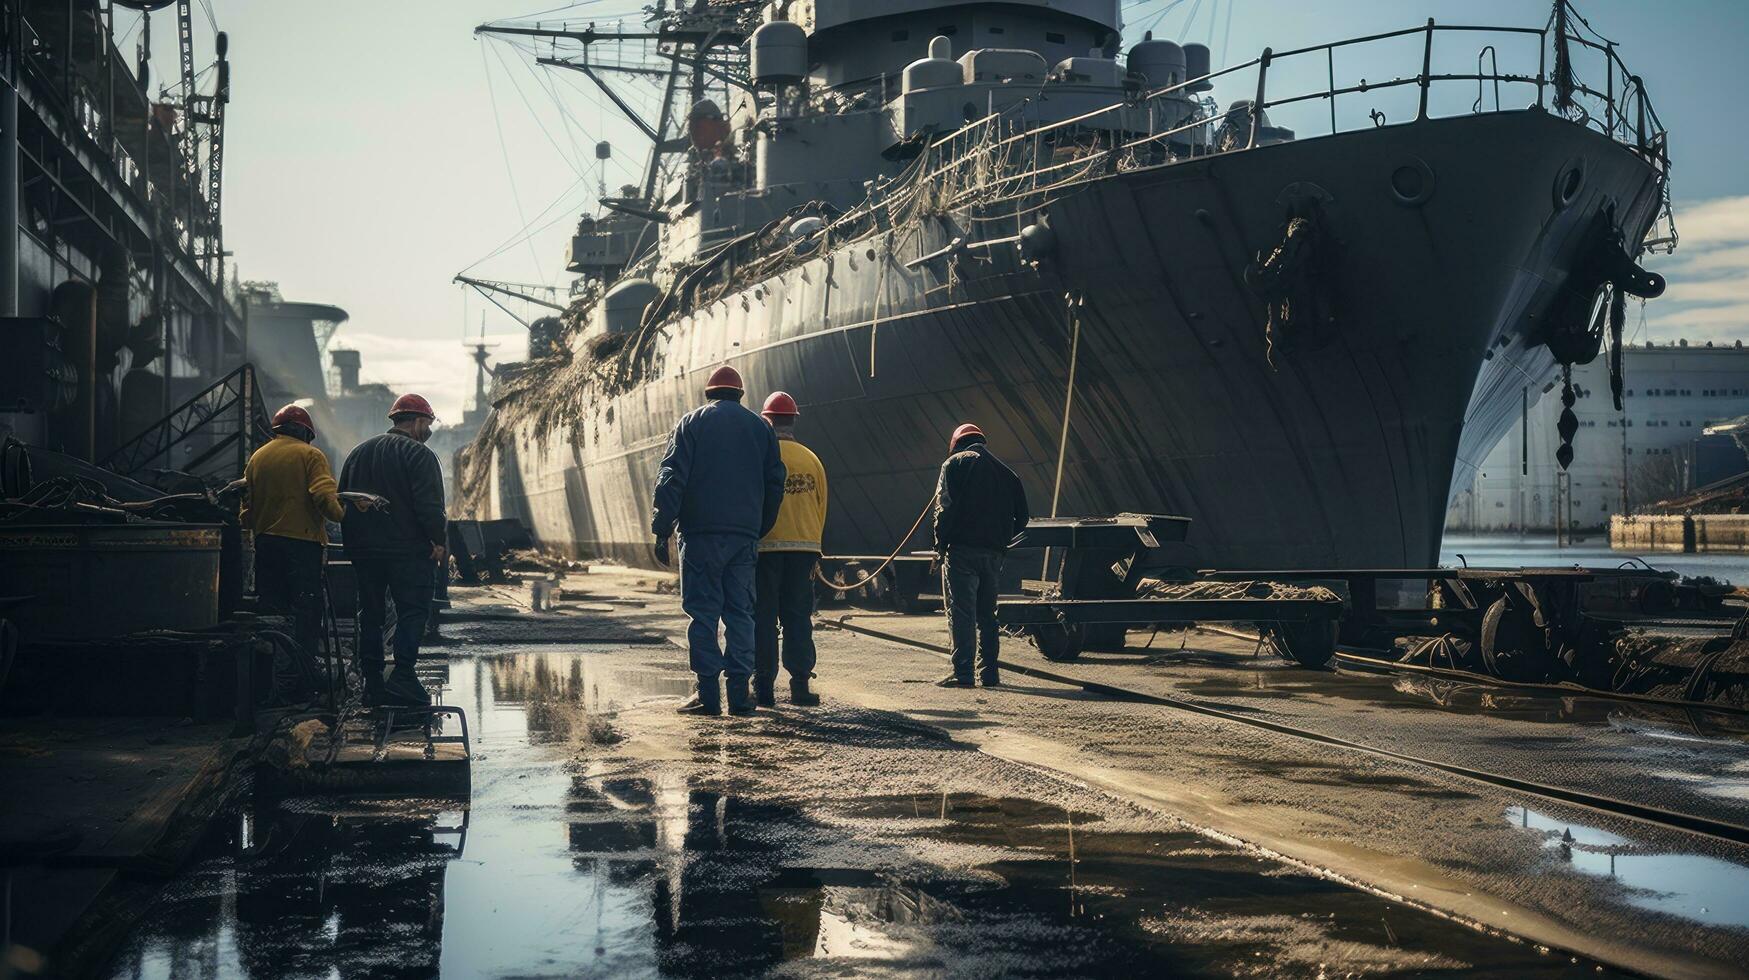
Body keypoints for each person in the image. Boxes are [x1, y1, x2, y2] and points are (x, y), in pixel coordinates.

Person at [651, 365, 786, 717]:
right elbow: (775, 483)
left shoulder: (691, 423)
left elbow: (671, 478)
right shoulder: (761, 428)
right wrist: (758, 527)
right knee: (741, 613)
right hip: (743, 537)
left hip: (699, 536)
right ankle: (740, 697)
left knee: (703, 614)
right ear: (740, 394)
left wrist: (661, 527)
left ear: (709, 393)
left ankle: (708, 695)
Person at [339, 393, 447, 706]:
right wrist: (438, 541)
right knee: (412, 611)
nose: (428, 431)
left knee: (370, 615)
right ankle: (402, 676)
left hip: (365, 551)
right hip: (407, 551)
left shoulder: (358, 453)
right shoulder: (420, 455)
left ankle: (372, 682)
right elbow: (429, 506)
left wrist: (354, 545)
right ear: (418, 421)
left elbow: (342, 500)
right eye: (428, 424)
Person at [241, 405, 348, 675]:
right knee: (307, 612)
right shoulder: (310, 454)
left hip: (265, 544)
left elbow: (246, 508)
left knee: (271, 611)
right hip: (301, 546)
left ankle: (270, 674)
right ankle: (303, 674)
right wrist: (342, 514)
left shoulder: (258, 457)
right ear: (305, 432)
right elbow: (324, 495)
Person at [932, 422, 1030, 688]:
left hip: (962, 552)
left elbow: (944, 509)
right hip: (994, 553)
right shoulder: (1008, 474)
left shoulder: (953, 465)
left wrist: (940, 546)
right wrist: (1000, 540)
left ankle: (962, 674)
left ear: (956, 445)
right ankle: (989, 674)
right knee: (988, 615)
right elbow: (1023, 519)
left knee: (962, 612)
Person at [754, 391, 826, 708]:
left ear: (766, 421)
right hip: (804, 549)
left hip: (765, 549)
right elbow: (821, 505)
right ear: (793, 420)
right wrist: (815, 547)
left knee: (763, 618)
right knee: (798, 618)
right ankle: (800, 687)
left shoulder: (761, 458)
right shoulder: (812, 459)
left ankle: (764, 689)